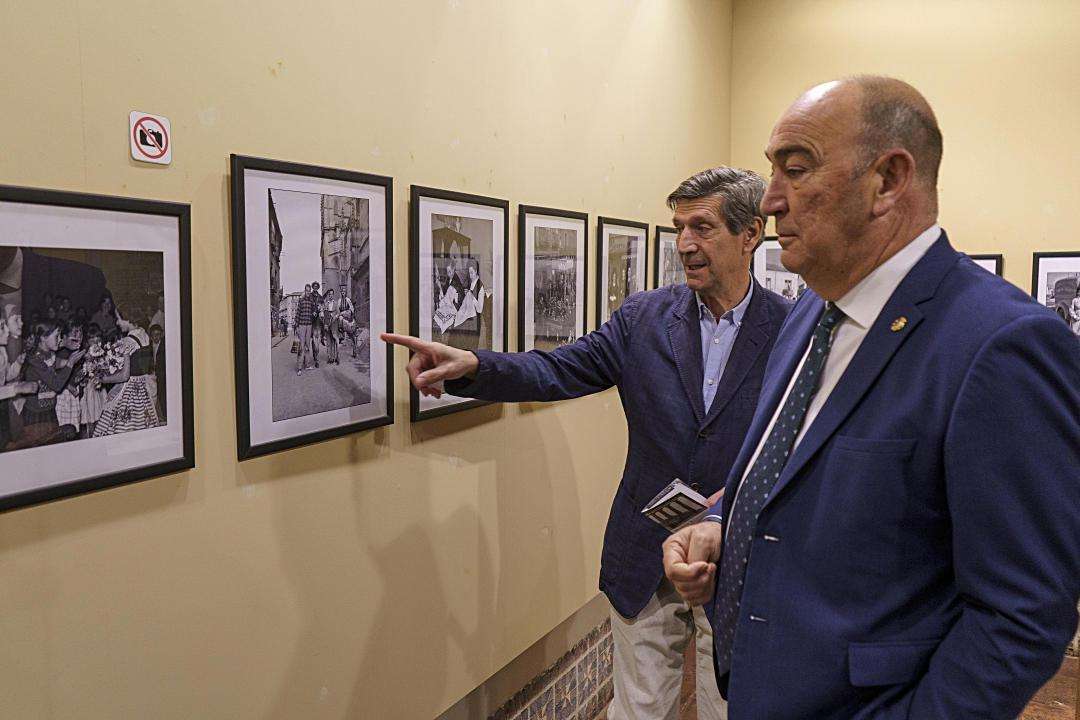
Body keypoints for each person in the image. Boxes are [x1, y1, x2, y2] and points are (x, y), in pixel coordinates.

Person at [663, 76, 1080, 719]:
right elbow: (790, 473)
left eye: (795, 169)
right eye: (772, 170)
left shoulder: (1001, 345)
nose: (770, 200)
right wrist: (721, 525)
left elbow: (1022, 617)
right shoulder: (812, 311)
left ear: (888, 180)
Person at [384, 167, 791, 720]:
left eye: (703, 227)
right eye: (679, 228)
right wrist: (473, 366)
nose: (685, 244)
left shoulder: (791, 330)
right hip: (644, 550)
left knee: (729, 709)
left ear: (751, 235)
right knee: (639, 709)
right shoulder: (644, 318)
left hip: (737, 556)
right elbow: (557, 371)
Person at [294, 284, 317, 375]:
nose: (308, 292)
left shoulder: (311, 302)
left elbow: (313, 312)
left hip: (309, 325)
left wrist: (314, 313)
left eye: (309, 291)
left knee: (308, 346)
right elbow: (297, 313)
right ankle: (299, 368)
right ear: (305, 291)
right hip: (302, 325)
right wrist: (296, 326)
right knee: (301, 346)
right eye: (307, 291)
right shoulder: (301, 301)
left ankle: (307, 365)